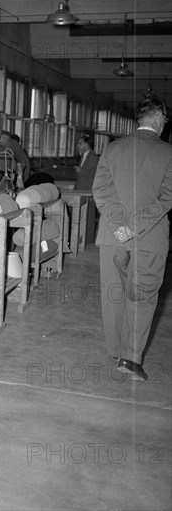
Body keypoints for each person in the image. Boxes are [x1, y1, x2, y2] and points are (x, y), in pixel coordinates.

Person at [92, 97, 172, 381]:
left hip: (113, 238)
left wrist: (119, 225)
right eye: (166, 117)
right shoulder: (168, 153)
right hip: (149, 239)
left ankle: (116, 349)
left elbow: (100, 188)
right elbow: (167, 198)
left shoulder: (113, 149)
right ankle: (129, 358)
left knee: (114, 295)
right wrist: (135, 226)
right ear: (159, 117)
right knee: (143, 296)